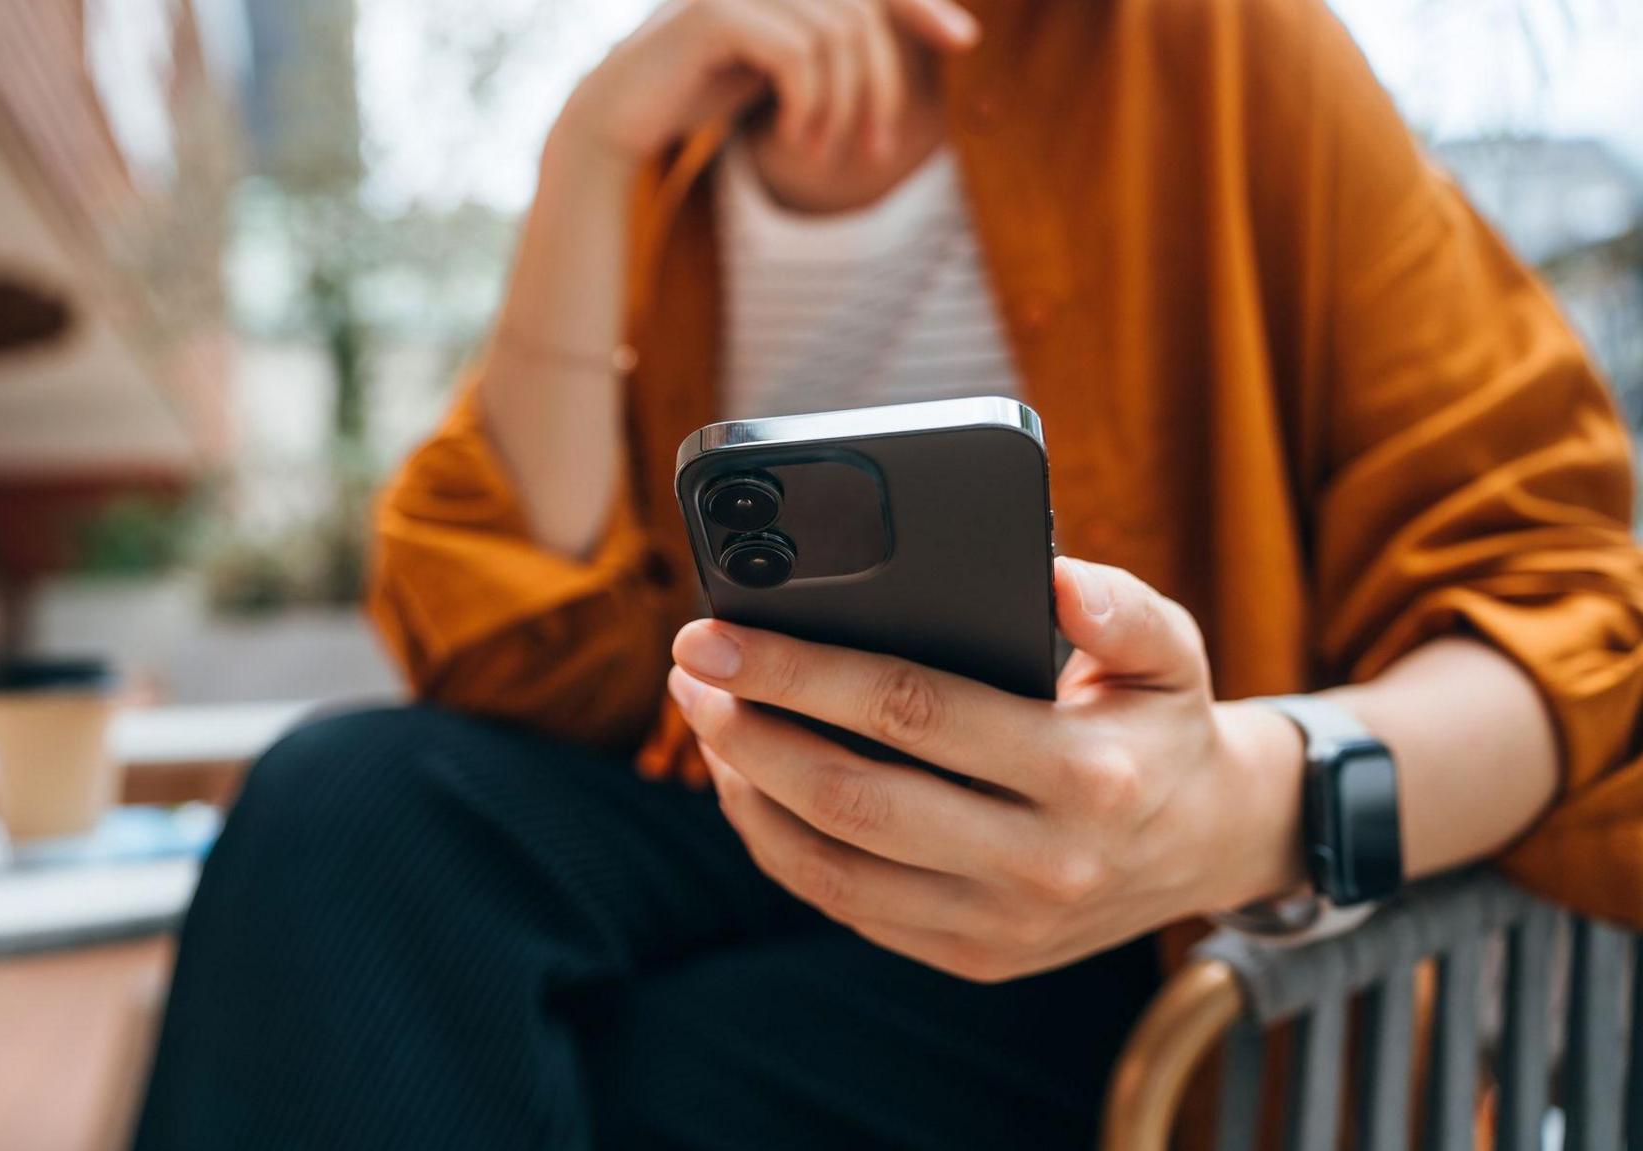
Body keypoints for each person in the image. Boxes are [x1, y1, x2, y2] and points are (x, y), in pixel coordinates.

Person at [136, 0, 1643, 1147]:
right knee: (344, 806)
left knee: (631, 1066)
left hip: (1137, 929)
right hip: (758, 838)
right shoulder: (679, 149)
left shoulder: (1209, 49)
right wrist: (589, 154)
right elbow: (501, 656)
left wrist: (1233, 805)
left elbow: (1578, 617)